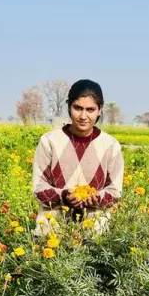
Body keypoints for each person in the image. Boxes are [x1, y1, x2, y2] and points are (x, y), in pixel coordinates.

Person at [32, 79, 124, 236]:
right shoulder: (50, 141)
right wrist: (64, 196)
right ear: (69, 107)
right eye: (78, 108)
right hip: (53, 232)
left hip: (94, 232)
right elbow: (38, 189)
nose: (83, 116)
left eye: (90, 109)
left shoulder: (110, 146)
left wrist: (96, 197)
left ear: (99, 110)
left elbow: (115, 192)